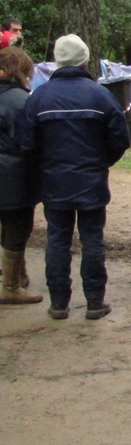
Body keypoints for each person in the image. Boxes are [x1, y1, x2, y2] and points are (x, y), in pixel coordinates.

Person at [16, 34, 130, 320]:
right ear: (84, 59)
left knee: (57, 241)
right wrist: (101, 163)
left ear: (57, 59)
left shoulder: (39, 96)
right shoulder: (99, 94)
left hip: (54, 183)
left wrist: (45, 167)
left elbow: (26, 142)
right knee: (92, 240)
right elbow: (120, 138)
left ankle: (59, 304)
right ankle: (94, 301)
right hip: (91, 181)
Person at [0, 47, 43, 305]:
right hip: (13, 175)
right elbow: (28, 142)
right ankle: (11, 287)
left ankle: (19, 274)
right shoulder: (21, 101)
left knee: (6, 225)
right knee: (17, 227)